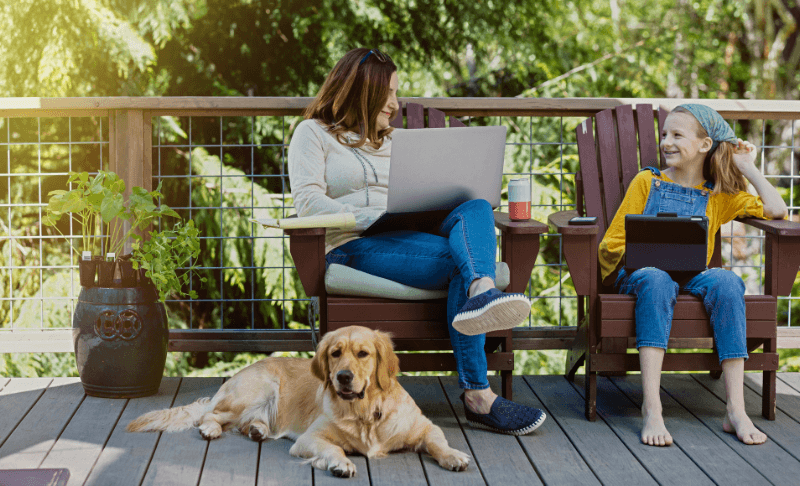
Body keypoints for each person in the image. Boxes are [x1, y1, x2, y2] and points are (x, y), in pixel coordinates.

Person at [288, 47, 546, 436]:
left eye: (396, 93)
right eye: (388, 93)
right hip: (355, 243)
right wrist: (370, 215)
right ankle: (479, 394)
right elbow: (307, 203)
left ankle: (482, 289)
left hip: (413, 232)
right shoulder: (313, 134)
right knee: (465, 262)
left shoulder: (395, 140)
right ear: (361, 90)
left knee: (475, 205)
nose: (395, 104)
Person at [598, 104, 788, 447]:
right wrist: (641, 253)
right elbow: (611, 243)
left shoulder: (717, 195)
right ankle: (652, 408)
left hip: (693, 275)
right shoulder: (647, 181)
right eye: (665, 134)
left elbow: (777, 210)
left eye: (677, 135)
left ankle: (736, 410)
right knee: (657, 279)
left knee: (728, 282)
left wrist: (748, 166)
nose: (666, 141)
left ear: (704, 145)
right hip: (642, 276)